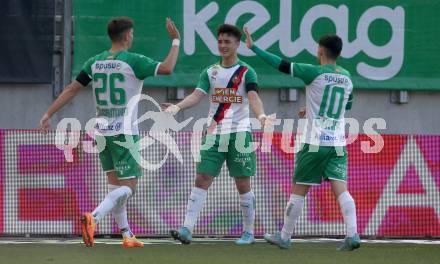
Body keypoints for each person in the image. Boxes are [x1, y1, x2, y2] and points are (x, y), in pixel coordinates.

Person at [39, 17, 180, 248]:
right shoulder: (132, 61)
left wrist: (48, 113)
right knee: (129, 188)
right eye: (132, 34)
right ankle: (93, 217)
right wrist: (175, 41)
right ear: (127, 36)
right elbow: (168, 68)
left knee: (115, 187)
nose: (132, 38)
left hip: (102, 134)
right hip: (124, 133)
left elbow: (72, 88)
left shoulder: (95, 62)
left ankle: (127, 235)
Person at [244, 28, 359, 251]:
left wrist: (254, 47)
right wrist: (314, 109)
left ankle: (285, 237)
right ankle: (353, 234)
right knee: (342, 190)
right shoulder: (347, 77)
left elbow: (280, 64)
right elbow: (346, 106)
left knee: (299, 190)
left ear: (321, 51)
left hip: (314, 143)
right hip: (337, 143)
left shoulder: (313, 72)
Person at [164, 24, 269, 245]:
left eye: (227, 42)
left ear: (237, 44)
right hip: (214, 133)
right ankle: (186, 229)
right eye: (220, 41)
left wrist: (261, 117)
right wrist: (177, 107)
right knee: (202, 178)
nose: (222, 45)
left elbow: (253, 97)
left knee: (242, 183)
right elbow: (196, 95)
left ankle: (248, 232)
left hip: (240, 134)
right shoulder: (210, 72)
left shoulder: (246, 72)